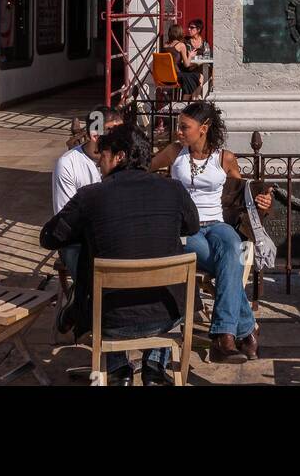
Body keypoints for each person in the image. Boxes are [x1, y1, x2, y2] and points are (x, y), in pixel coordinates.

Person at [41, 123, 199, 386]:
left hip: (111, 321)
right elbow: (191, 226)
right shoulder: (173, 189)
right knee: (159, 248)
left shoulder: (91, 196)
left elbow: (49, 237)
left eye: (102, 156)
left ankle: (117, 371)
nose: (98, 164)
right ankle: (154, 368)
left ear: (120, 156)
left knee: (88, 249)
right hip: (170, 314)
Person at [151, 101, 271, 364]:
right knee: (228, 263)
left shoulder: (224, 158)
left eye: (184, 127)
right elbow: (146, 171)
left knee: (231, 247)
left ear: (203, 128)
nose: (178, 132)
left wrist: (263, 201)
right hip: (186, 229)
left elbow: (243, 195)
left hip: (218, 224)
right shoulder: (174, 152)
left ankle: (225, 335)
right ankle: (240, 331)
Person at [51, 104, 124, 281]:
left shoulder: (123, 157)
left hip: (116, 233)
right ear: (95, 135)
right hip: (78, 238)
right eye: (112, 131)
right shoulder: (68, 164)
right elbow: (66, 218)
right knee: (89, 276)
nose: (120, 137)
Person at [164, 23, 201, 98]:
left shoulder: (165, 45)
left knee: (188, 78)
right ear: (179, 33)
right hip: (176, 75)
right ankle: (192, 101)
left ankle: (189, 101)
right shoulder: (181, 45)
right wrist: (190, 55)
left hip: (165, 76)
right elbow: (187, 64)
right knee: (200, 76)